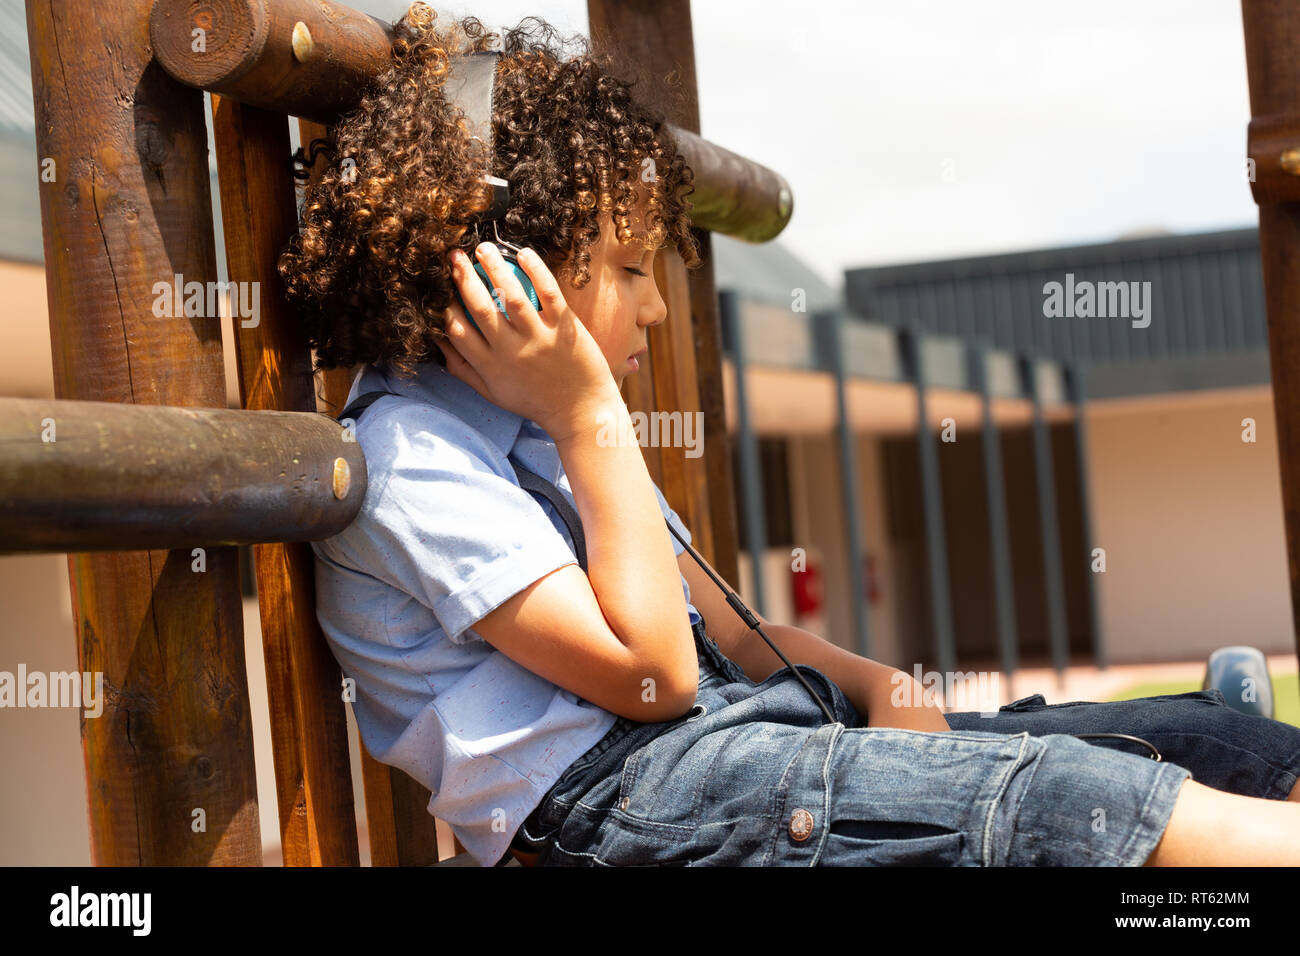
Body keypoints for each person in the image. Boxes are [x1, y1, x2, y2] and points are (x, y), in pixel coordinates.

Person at [280, 3, 1300, 867]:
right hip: (621, 807)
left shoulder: (539, 432)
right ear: (502, 268)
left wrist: (874, 682)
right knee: (1048, 801)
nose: (654, 311)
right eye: (630, 269)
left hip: (734, 751)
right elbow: (652, 674)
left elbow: (725, 635)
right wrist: (588, 413)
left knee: (1201, 743)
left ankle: (1232, 743)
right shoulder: (417, 457)